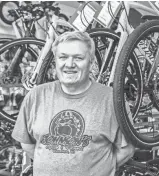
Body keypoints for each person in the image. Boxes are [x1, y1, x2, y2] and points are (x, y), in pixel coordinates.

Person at [12, 31, 135, 176]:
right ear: (55, 61)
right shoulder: (36, 96)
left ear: (91, 61)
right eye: (63, 57)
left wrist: (100, 169)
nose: (69, 64)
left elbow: (127, 149)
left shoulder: (112, 100)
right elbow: (26, 143)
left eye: (78, 58)